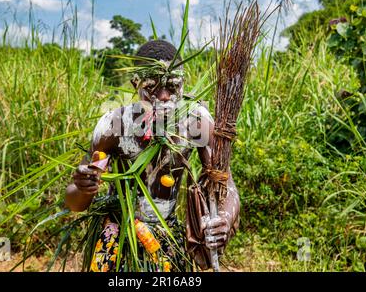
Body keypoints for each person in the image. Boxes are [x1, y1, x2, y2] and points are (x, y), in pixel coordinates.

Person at [65, 39, 240, 272]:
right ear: (135, 84)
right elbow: (75, 203)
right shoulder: (114, 126)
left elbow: (225, 183)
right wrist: (83, 186)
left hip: (167, 236)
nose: (164, 95)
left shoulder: (196, 122)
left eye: (172, 85)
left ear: (183, 83)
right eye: (153, 86)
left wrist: (224, 220)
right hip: (118, 236)